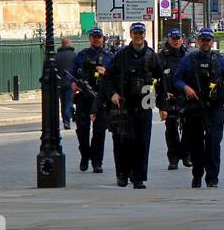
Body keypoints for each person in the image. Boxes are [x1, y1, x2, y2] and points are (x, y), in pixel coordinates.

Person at [176, 28, 224, 188]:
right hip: (194, 108)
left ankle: (212, 178)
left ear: (212, 42)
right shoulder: (189, 60)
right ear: (198, 41)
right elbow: (177, 79)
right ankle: (197, 175)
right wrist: (186, 87)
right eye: (203, 40)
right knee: (196, 144)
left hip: (215, 108)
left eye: (208, 40)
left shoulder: (221, 61)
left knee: (213, 143)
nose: (205, 42)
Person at [98, 23, 161, 188]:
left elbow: (162, 80)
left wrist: (164, 107)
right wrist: (112, 94)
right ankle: (123, 175)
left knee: (142, 141)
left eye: (141, 33)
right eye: (135, 33)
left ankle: (138, 177)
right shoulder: (121, 55)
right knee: (124, 140)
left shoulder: (151, 56)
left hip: (145, 103)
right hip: (125, 103)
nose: (138, 36)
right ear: (131, 35)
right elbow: (107, 78)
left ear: (144, 34)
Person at [72, 28, 111, 173]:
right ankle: (84, 156)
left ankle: (97, 161)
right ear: (90, 38)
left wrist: (105, 72)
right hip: (84, 97)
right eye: (94, 37)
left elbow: (115, 76)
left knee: (99, 131)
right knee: (82, 130)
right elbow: (73, 73)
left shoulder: (108, 56)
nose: (96, 39)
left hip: (100, 98)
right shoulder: (81, 55)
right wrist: (74, 84)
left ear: (102, 39)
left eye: (99, 37)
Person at [155, 29, 190, 170]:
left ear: (182, 39)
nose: (176, 40)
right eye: (173, 38)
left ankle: (186, 155)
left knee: (189, 128)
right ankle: (173, 158)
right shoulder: (161, 57)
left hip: (185, 96)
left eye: (178, 38)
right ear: (168, 39)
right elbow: (155, 78)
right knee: (171, 128)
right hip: (168, 96)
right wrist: (163, 93)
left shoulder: (188, 55)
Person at [53, 37, 77, 130]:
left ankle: (65, 120)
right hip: (70, 82)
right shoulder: (74, 55)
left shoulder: (56, 56)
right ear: (69, 43)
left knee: (63, 103)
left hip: (59, 83)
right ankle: (67, 120)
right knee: (69, 102)